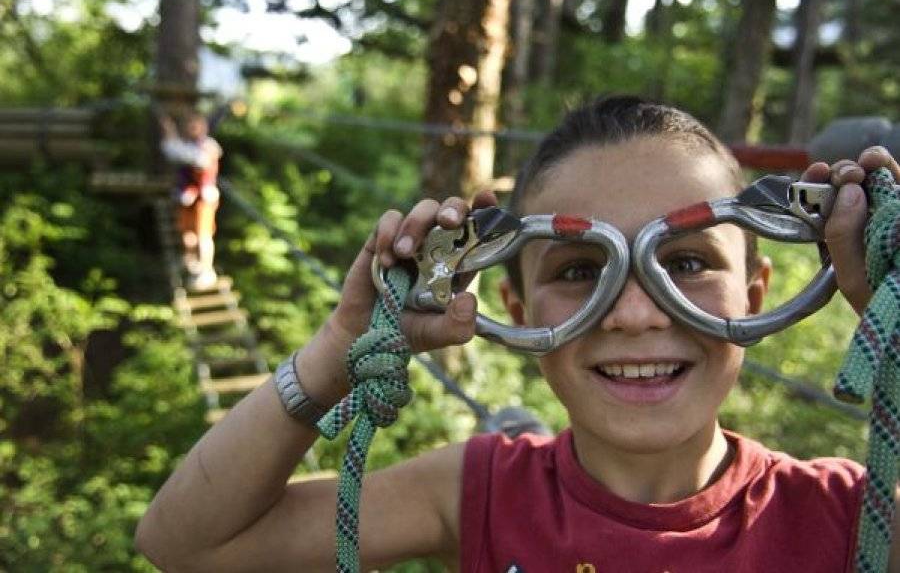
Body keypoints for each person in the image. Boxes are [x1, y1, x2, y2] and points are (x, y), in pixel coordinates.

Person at [135, 96, 900, 571]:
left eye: (689, 261)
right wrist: (341, 348)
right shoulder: (478, 494)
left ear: (758, 292)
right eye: (578, 270)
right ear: (519, 306)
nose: (635, 313)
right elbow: (188, 545)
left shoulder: (849, 518)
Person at [159, 111, 224, 291]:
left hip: (204, 198)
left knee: (204, 234)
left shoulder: (208, 146)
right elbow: (175, 152)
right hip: (187, 196)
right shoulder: (188, 145)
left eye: (196, 125)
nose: (193, 129)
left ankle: (206, 270)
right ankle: (190, 261)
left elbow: (194, 158)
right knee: (187, 232)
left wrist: (171, 136)